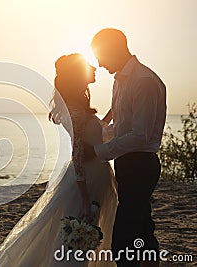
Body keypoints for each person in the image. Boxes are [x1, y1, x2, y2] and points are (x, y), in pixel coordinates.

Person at [0, 53, 117, 267]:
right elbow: (77, 156)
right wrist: (85, 200)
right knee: (78, 239)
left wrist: (113, 111)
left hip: (96, 178)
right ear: (78, 75)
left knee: (83, 239)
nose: (93, 67)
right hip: (86, 182)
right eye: (88, 66)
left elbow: (95, 134)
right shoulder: (76, 111)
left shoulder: (79, 108)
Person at [87, 28, 167, 267]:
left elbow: (140, 136)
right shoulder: (120, 80)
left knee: (123, 238)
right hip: (126, 162)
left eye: (100, 57)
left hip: (141, 164)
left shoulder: (143, 81)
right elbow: (122, 128)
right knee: (142, 228)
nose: (99, 65)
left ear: (113, 49)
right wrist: (94, 133)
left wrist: (99, 152)